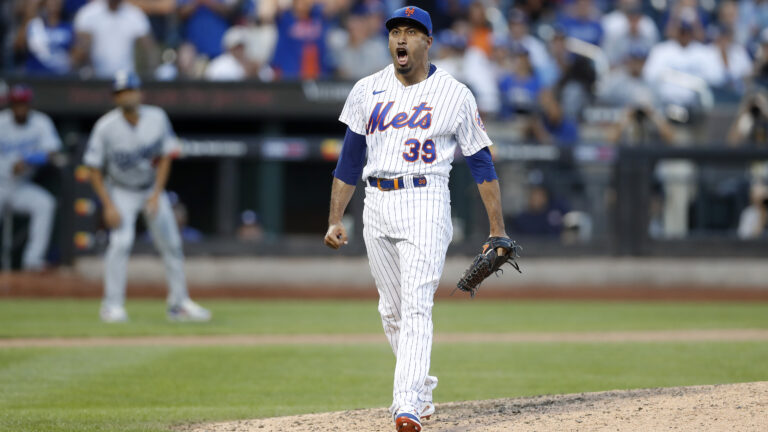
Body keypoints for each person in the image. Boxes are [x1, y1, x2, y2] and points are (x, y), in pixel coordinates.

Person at [323, 7, 513, 432]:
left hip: (427, 200)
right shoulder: (366, 89)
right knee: (390, 310)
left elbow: (482, 164)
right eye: (395, 32)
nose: (401, 39)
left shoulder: (455, 94)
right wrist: (336, 218)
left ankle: (405, 404)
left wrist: (497, 227)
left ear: (428, 41)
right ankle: (422, 391)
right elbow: (350, 160)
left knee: (415, 305)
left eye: (411, 32)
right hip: (376, 204)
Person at [83, 71, 211, 323]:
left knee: (172, 244)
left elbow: (166, 155)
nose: (127, 96)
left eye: (130, 90)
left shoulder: (157, 117)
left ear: (140, 92)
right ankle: (111, 306)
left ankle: (178, 304)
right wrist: (108, 204)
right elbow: (93, 169)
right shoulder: (106, 127)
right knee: (121, 242)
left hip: (150, 188)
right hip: (120, 189)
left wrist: (155, 194)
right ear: (115, 98)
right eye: (121, 92)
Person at [0, 85, 60, 271]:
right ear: (11, 105)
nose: (20, 108)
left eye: (23, 104)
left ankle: (33, 262)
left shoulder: (41, 122)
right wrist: (10, 166)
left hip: (21, 186)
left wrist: (27, 160)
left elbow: (53, 153)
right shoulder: (1, 123)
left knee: (45, 203)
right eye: (17, 104)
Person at [71, 0, 158, 78]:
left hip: (126, 78)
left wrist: (149, 75)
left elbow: (149, 49)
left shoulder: (135, 15)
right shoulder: (88, 13)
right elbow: (78, 50)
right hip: (95, 78)